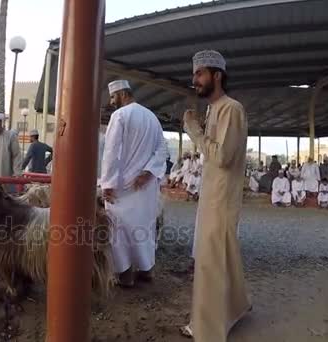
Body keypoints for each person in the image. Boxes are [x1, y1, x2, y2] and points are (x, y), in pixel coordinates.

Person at [180, 50, 251, 341]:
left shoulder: (231, 109)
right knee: (224, 257)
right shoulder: (214, 109)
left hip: (221, 199)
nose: (194, 79)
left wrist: (194, 132)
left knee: (210, 263)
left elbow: (222, 156)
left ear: (217, 76)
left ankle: (206, 328)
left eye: (200, 74)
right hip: (211, 196)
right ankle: (236, 306)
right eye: (194, 74)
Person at [100, 79, 168, 288]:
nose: (112, 102)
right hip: (145, 186)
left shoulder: (120, 115)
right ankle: (147, 270)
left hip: (121, 187)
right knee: (144, 228)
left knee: (118, 230)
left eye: (113, 97)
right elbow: (162, 150)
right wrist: (148, 172)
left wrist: (107, 184)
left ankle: (126, 275)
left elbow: (111, 152)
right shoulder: (152, 117)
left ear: (122, 94)